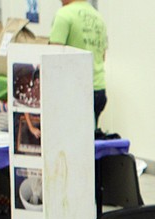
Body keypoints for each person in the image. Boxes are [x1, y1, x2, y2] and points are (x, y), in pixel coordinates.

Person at [49, 0, 108, 128]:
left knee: (68, 142)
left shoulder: (63, 15)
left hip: (74, 90)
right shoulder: (98, 17)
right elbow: (103, 56)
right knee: (88, 141)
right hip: (98, 89)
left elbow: (52, 57)